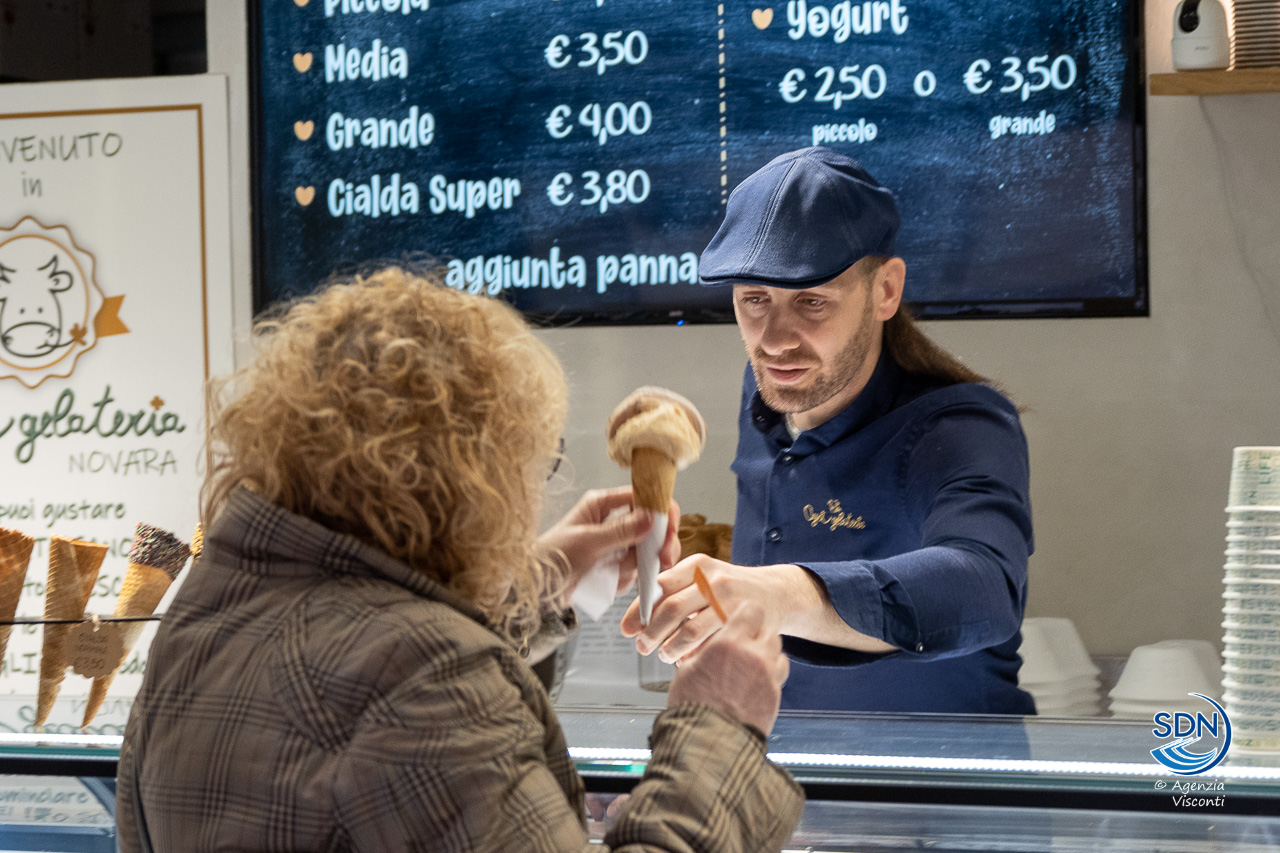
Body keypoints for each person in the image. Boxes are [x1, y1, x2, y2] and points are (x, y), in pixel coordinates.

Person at [116, 266, 802, 851]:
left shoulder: (209, 616)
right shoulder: (421, 677)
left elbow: (356, 678)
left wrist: (539, 587)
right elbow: (403, 690)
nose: (534, 490)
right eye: (534, 462)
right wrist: (719, 730)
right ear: (467, 480)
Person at [623, 147, 1036, 715]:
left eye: (812, 301)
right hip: (783, 782)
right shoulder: (770, 390)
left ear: (885, 290)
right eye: (754, 300)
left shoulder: (962, 426)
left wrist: (779, 593)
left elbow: (985, 586)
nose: (774, 339)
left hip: (946, 791)